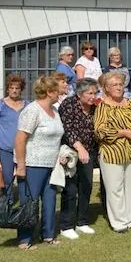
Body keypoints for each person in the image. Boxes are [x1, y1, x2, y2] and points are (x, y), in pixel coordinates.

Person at [14, 76, 65, 248]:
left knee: (50, 200)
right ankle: (25, 239)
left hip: (51, 165)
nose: (60, 93)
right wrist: (21, 165)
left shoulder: (55, 112)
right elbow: (20, 139)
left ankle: (48, 235)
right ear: (49, 92)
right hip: (32, 164)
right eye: (57, 90)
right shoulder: (32, 111)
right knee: (30, 202)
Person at [95, 72, 131, 233]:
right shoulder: (102, 106)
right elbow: (100, 130)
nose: (118, 88)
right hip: (112, 152)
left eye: (120, 85)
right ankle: (119, 223)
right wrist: (122, 133)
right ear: (107, 88)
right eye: (114, 85)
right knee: (114, 188)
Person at [57, 78, 98, 240]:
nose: (93, 96)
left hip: (89, 152)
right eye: (90, 93)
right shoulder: (68, 104)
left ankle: (82, 221)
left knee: (86, 187)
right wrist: (79, 147)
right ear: (80, 93)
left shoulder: (95, 107)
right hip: (71, 153)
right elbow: (68, 128)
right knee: (70, 190)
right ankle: (66, 225)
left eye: (95, 93)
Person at [0, 75, 29, 190]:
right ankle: (6, 205)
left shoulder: (27, 105)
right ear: (7, 89)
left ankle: (25, 206)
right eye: (11, 88)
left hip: (24, 148)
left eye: (17, 88)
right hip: (5, 148)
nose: (14, 90)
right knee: (7, 179)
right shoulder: (0, 105)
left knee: (24, 179)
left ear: (21, 89)